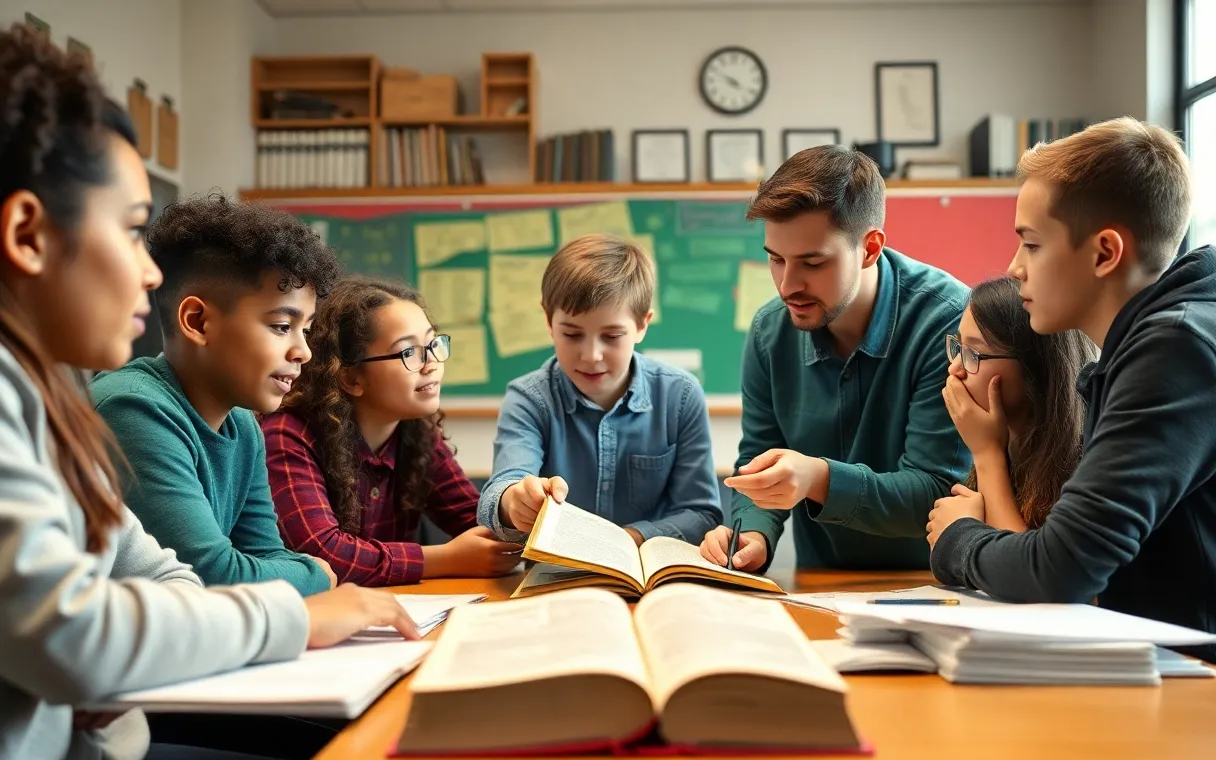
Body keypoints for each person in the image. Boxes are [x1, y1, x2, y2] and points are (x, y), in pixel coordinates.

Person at [0, 24, 416, 760]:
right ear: (26, 235)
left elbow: (158, 574)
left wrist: (104, 672)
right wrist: (298, 611)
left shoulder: (49, 401)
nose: (148, 269)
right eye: (128, 229)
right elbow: (74, 631)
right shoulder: (97, 402)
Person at [928, 118, 1216, 659]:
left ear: (1105, 253)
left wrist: (958, 540)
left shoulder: (1174, 350)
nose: (1014, 269)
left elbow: (1060, 569)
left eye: (1032, 245)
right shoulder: (1156, 343)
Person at [699, 145, 970, 573]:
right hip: (821, 584)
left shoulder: (950, 321)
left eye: (812, 262)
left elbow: (938, 492)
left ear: (870, 248)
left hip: (935, 584)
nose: (788, 285)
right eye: (775, 259)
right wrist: (751, 533)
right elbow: (758, 461)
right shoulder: (770, 331)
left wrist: (816, 478)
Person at [90, 194, 338, 597]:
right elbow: (212, 575)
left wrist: (288, 573)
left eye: (305, 330)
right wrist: (316, 574)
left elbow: (264, 554)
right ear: (198, 321)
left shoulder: (243, 425)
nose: (303, 352)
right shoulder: (131, 408)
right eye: (280, 326)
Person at [263, 277, 520, 585]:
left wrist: (515, 507)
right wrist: (445, 559)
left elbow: (473, 518)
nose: (432, 363)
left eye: (433, 343)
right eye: (408, 352)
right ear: (351, 379)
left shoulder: (416, 431)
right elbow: (324, 554)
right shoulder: (287, 436)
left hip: (393, 612)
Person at [478, 234, 722, 545]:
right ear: (549, 322)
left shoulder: (681, 396)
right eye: (572, 334)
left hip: (653, 578)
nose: (591, 355)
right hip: (555, 581)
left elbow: (701, 513)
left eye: (611, 336)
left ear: (643, 324)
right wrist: (514, 501)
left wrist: (627, 539)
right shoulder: (529, 399)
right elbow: (498, 494)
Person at [939, 276, 1095, 532]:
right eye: (958, 347)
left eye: (973, 353)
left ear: (1034, 367)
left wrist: (987, 454)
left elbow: (1024, 568)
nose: (954, 368)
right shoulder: (1012, 447)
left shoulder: (1087, 462)